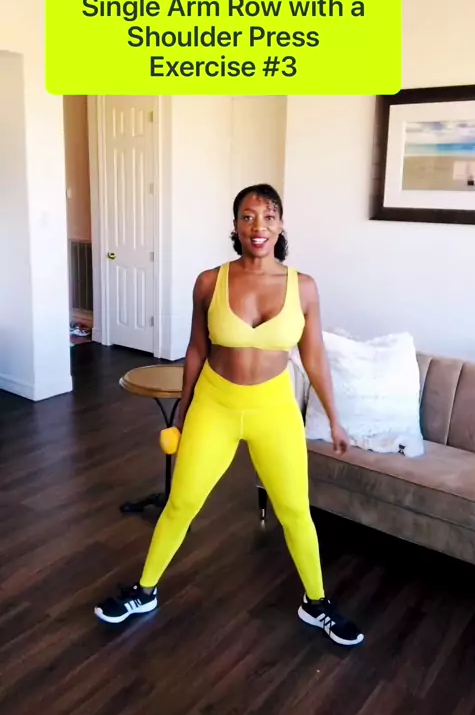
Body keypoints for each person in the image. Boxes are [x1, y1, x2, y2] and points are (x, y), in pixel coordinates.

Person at [94, 183, 364, 647]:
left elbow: (314, 356)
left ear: (281, 225)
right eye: (248, 216)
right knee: (182, 503)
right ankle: (144, 591)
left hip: (273, 410)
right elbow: (196, 350)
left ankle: (316, 603)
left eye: (268, 216)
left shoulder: (303, 287)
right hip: (215, 405)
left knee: (295, 510)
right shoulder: (209, 282)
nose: (258, 226)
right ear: (235, 225)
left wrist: (334, 419)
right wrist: (183, 411)